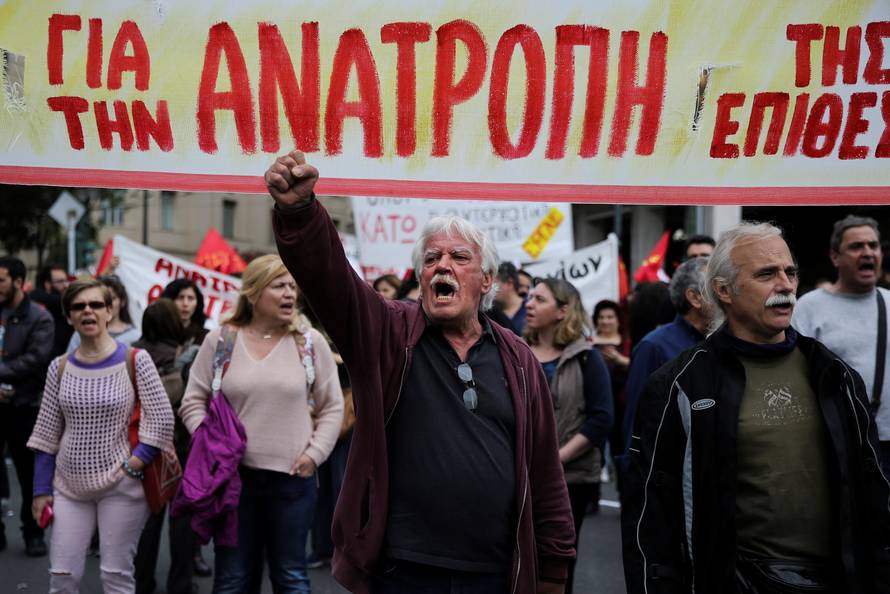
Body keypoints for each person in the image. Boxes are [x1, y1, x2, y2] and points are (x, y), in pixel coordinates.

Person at [265, 150, 575, 594]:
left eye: (458, 257)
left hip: (495, 571)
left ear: (486, 280)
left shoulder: (519, 359)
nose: (442, 266)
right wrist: (299, 213)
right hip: (405, 570)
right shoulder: (388, 333)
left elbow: (544, 471)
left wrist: (553, 571)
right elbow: (329, 279)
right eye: (431, 259)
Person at [622, 222, 890, 593]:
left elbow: (874, 493)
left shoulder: (835, 375)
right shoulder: (680, 384)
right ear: (724, 290)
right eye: (766, 274)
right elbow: (650, 516)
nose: (785, 285)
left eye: (790, 272)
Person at [179, 254, 344, 594]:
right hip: (232, 481)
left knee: (291, 577)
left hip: (293, 481)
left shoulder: (310, 343)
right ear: (253, 293)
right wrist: (209, 444)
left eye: (293, 287)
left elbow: (332, 407)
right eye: (279, 285)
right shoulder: (221, 340)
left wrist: (314, 455)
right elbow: (192, 400)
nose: (290, 294)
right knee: (233, 578)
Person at [28, 279, 175, 592]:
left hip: (122, 485)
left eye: (96, 305)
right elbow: (46, 433)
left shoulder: (135, 360)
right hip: (68, 486)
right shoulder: (60, 367)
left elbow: (161, 419)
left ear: (110, 311)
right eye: (79, 307)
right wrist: (41, 489)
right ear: (69, 317)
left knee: (116, 575)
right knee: (62, 576)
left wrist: (135, 464)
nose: (88, 312)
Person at [524, 278, 613, 594]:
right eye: (530, 297)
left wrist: (554, 459)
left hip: (570, 478)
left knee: (556, 563)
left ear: (562, 311)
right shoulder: (517, 352)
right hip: (520, 475)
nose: (529, 304)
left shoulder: (587, 358)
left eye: (539, 299)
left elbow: (601, 418)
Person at [793, 215, 890, 479]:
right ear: (835, 257)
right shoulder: (809, 307)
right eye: (857, 246)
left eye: (873, 245)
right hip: (836, 440)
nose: (868, 252)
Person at [132, 298, 200, 594]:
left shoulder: (130, 355)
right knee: (182, 519)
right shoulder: (188, 356)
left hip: (143, 447)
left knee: (147, 519)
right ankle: (181, 583)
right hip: (183, 446)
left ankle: (141, 582)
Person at [620, 258, 711, 468]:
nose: (726, 294)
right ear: (694, 297)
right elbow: (637, 418)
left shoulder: (720, 342)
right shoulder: (654, 346)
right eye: (716, 286)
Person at [0, 256, 54, 556]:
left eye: (2, 280)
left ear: (19, 282)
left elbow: (36, 359)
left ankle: (33, 533)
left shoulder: (39, 317)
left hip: (24, 406)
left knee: (28, 473)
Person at [591, 299, 630, 489]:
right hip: (593, 405)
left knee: (620, 450)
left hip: (620, 406)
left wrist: (620, 360)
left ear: (617, 320)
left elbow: (635, 366)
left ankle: (624, 492)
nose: (605, 321)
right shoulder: (588, 344)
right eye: (601, 317)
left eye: (610, 317)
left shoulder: (627, 342)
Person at [67, 275, 140, 351]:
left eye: (111, 299)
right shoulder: (82, 332)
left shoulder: (135, 337)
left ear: (122, 301)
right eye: (100, 300)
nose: (106, 304)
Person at [29, 263, 73, 359]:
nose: (66, 285)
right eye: (61, 281)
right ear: (47, 284)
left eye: (66, 281)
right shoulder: (38, 299)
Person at [162, 279, 211, 345]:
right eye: (180, 297)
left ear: (198, 303)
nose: (185, 304)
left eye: (190, 298)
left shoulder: (206, 338)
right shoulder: (154, 332)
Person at [493, 261, 528, 335]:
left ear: (509, 283)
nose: (490, 289)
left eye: (494, 284)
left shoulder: (530, 310)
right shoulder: (491, 312)